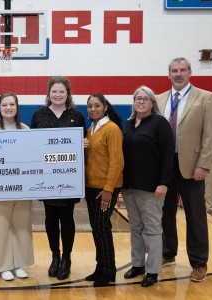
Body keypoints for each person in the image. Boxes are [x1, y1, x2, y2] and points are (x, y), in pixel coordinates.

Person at [157, 57, 212, 282]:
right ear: (169, 74)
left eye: (183, 70)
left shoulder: (205, 97)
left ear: (190, 72)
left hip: (192, 167)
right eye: (174, 70)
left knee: (196, 216)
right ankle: (167, 253)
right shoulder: (160, 99)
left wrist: (203, 164)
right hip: (165, 167)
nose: (178, 74)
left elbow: (211, 135)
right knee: (165, 213)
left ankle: (200, 262)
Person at [31, 76, 86, 280]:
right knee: (50, 218)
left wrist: (82, 146)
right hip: (46, 177)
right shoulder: (39, 114)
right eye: (54, 91)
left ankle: (67, 258)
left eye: (62, 91)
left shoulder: (76, 115)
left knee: (67, 218)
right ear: (49, 93)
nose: (58, 95)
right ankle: (55, 256)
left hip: (68, 177)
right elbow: (32, 145)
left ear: (67, 94)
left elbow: (82, 145)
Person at [122, 86, 174, 287]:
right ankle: (138, 264)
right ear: (133, 101)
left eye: (145, 99)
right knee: (135, 227)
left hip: (152, 188)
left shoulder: (160, 124)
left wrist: (163, 183)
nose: (141, 101)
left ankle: (153, 270)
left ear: (153, 102)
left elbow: (168, 155)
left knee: (152, 229)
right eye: (138, 98)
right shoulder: (127, 124)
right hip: (128, 187)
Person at [0, 92, 34, 281]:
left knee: (21, 226)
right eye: (4, 104)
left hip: (22, 188)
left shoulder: (25, 129)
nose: (8, 108)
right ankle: (3, 265)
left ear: (17, 107)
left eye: (11, 104)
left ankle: (18, 264)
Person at [84, 94, 124, 287]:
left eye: (97, 105)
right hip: (91, 187)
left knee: (102, 227)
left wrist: (108, 189)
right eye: (90, 106)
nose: (93, 109)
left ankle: (109, 270)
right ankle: (101, 266)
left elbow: (117, 162)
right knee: (97, 228)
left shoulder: (112, 129)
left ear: (105, 107)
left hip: (105, 188)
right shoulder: (91, 129)